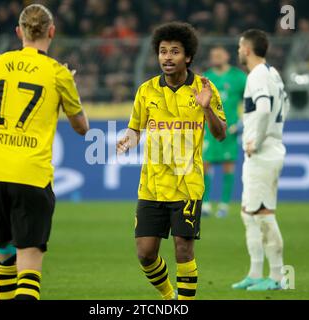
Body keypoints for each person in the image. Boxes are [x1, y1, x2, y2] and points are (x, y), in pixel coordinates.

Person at [0, 4, 89, 300]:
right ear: (51, 32)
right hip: (30, 177)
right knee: (28, 268)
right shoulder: (57, 73)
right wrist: (69, 84)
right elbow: (82, 127)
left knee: (3, 259)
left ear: (19, 32)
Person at [117, 22, 226, 300]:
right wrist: (128, 139)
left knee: (183, 249)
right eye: (163, 51)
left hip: (187, 183)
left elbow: (220, 133)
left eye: (174, 52)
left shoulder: (204, 87)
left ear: (187, 57)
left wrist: (207, 109)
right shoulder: (147, 90)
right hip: (151, 185)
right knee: (145, 253)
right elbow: (135, 128)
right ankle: (169, 297)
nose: (167, 57)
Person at [232, 29, 289, 291]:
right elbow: (284, 106)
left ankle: (277, 278)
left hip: (262, 152)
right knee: (249, 214)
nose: (238, 52)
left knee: (263, 214)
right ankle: (255, 272)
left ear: (246, 49)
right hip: (267, 149)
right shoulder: (273, 73)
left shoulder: (256, 76)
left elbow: (264, 109)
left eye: (239, 48)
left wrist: (259, 139)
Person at [201, 46, 246, 218]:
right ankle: (205, 204)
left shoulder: (239, 77)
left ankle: (224, 205)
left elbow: (251, 99)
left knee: (228, 165)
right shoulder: (206, 78)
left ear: (227, 56)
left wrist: (243, 122)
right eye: (213, 55)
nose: (216, 57)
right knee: (205, 165)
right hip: (209, 129)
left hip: (230, 129)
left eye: (219, 54)